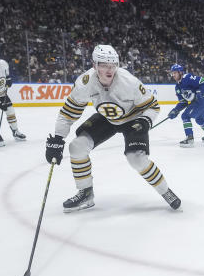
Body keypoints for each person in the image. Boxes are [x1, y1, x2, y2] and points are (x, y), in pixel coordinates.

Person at [45, 45, 181, 212]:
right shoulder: (84, 83)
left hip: (133, 119)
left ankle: (165, 191)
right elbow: (68, 113)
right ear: (94, 65)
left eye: (113, 65)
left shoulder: (129, 82)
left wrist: (145, 121)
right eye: (103, 65)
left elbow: (153, 106)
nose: (109, 70)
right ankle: (86, 193)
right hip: (107, 118)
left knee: (136, 159)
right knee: (76, 147)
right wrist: (58, 138)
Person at [168, 64, 204, 147]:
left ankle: (190, 138)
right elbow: (183, 102)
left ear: (180, 72)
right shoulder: (178, 87)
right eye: (172, 73)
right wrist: (175, 110)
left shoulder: (187, 78)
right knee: (199, 119)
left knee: (185, 116)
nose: (173, 75)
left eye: (175, 73)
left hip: (203, 98)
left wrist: (200, 92)